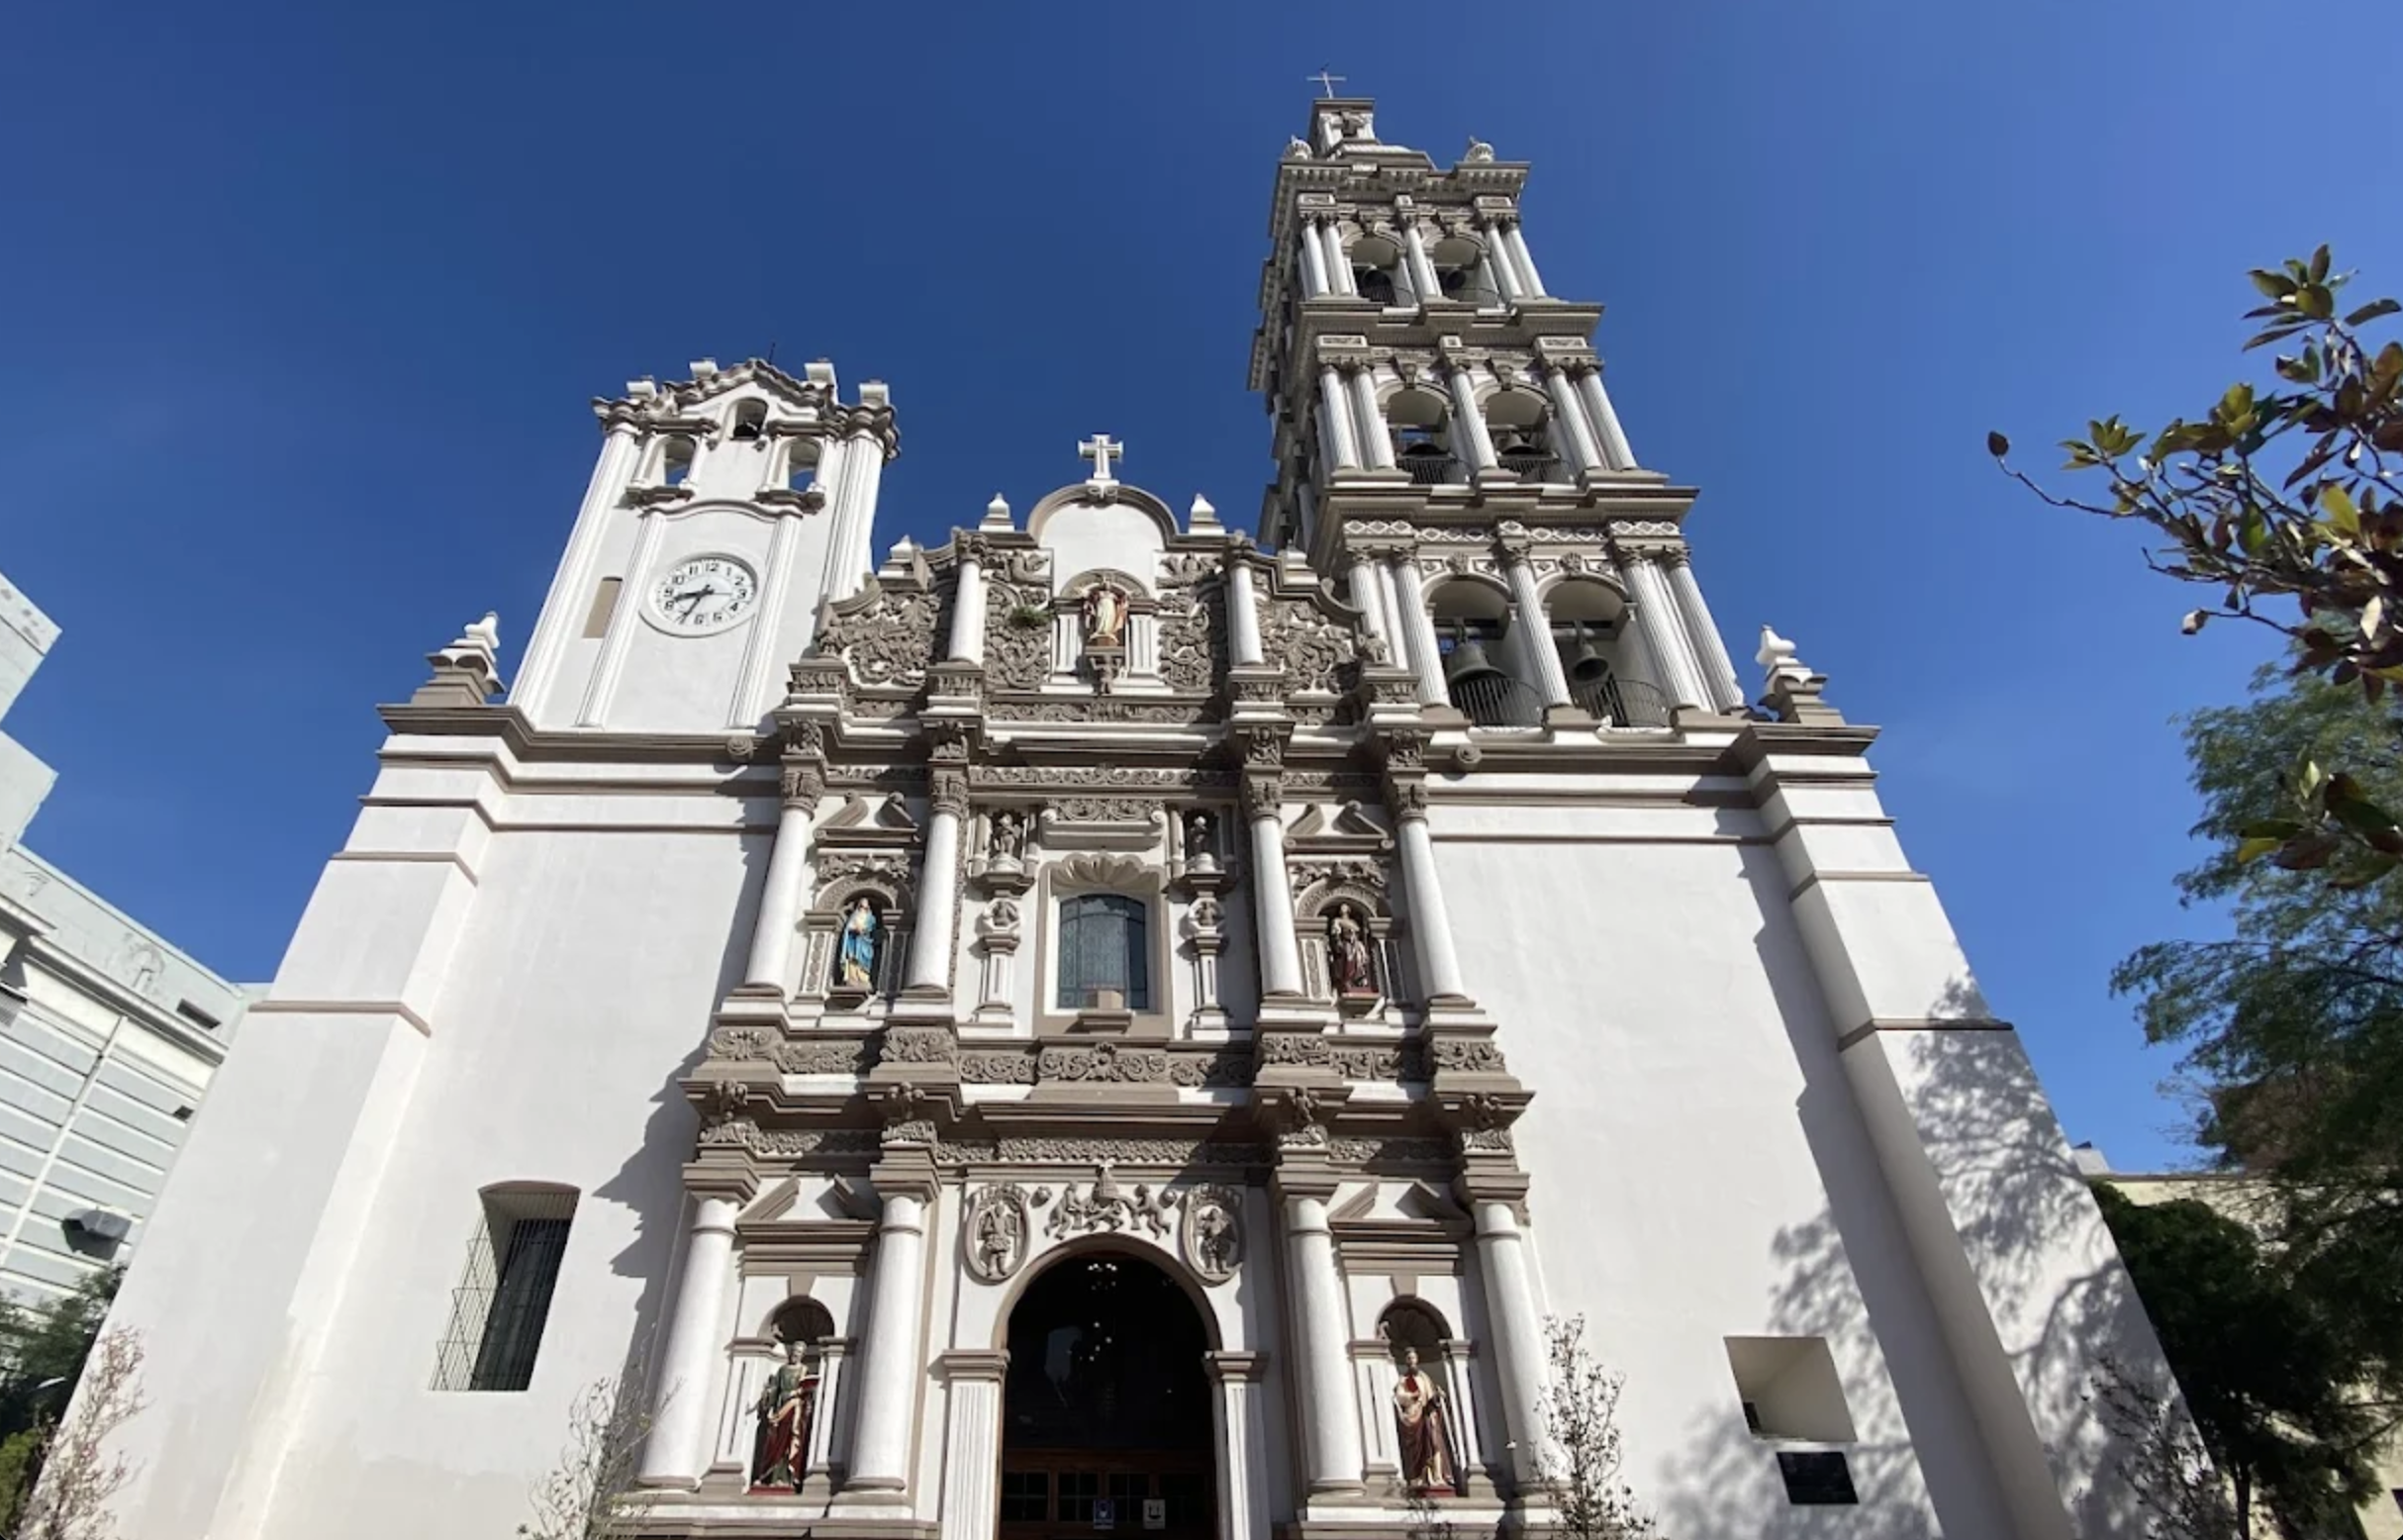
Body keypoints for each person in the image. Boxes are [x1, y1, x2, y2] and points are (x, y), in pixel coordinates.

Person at [750, 1342, 816, 1492]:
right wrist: (768, 1397)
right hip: (781, 1409)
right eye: (794, 1351)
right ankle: (770, 1476)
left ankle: (786, 1477)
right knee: (774, 1441)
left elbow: (808, 1392)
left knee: (790, 1441)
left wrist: (800, 1392)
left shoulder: (805, 1370)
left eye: (799, 1352)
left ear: (803, 1354)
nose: (795, 1354)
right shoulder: (783, 1369)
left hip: (795, 1409)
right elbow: (775, 1389)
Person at [1392, 1345, 1456, 1495]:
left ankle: (1437, 1476)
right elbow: (1399, 1396)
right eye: (1408, 1358)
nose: (1411, 1361)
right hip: (1414, 1416)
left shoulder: (1424, 1378)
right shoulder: (1403, 1380)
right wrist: (1411, 1396)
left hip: (1428, 1415)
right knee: (1417, 1448)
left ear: (1417, 1359)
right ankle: (1419, 1478)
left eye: (1413, 1358)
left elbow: (1431, 1395)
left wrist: (1438, 1397)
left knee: (1434, 1444)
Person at [1328, 903, 1376, 995]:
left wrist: (1364, 930)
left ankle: (1358, 981)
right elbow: (1335, 932)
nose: (1343, 909)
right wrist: (1338, 941)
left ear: (1348, 910)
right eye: (1341, 908)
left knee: (1359, 960)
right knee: (1348, 959)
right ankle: (1346, 980)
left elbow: (1358, 931)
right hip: (1346, 943)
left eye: (1345, 907)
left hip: (1355, 943)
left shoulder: (1353, 922)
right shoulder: (1337, 920)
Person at [836, 898, 878, 990]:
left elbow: (872, 929)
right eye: (861, 905)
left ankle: (863, 979)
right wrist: (855, 929)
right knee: (853, 959)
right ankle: (853, 978)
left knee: (865, 959)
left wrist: (864, 930)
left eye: (865, 905)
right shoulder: (854, 915)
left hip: (865, 941)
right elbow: (848, 928)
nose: (863, 907)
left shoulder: (871, 918)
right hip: (854, 941)